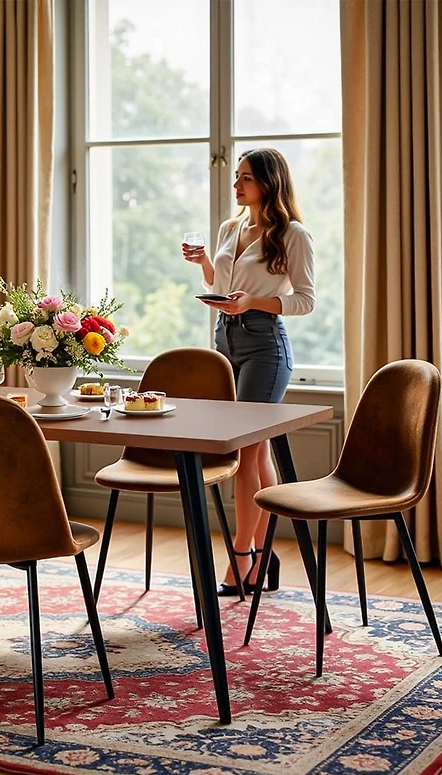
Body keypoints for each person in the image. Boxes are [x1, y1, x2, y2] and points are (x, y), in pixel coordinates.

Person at [182, 148, 315, 595]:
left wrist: (251, 303)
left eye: (246, 179)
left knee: (245, 453)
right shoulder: (229, 227)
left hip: (264, 345)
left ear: (269, 183)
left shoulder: (292, 234)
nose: (236, 186)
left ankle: (241, 559)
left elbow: (304, 301)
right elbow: (220, 288)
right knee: (255, 455)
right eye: (236, 177)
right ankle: (263, 557)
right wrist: (203, 263)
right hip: (225, 338)